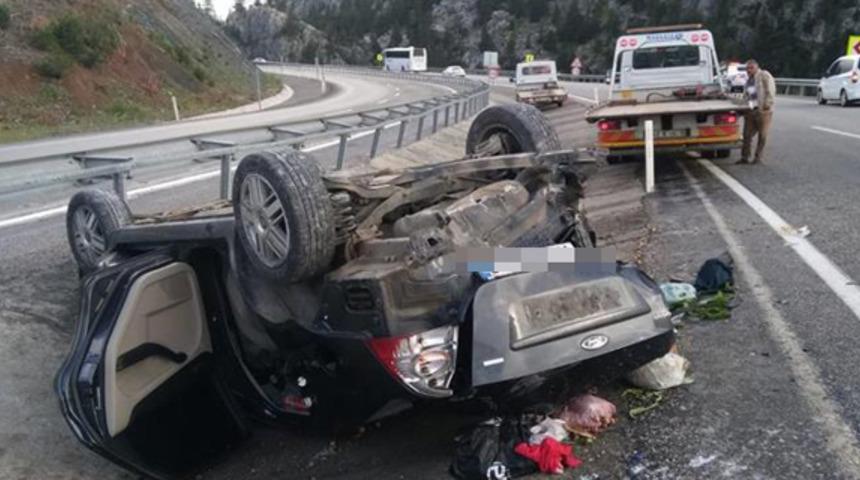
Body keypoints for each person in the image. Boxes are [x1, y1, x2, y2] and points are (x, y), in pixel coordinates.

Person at [738, 59, 776, 164]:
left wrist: (767, 105)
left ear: (756, 67)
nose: (748, 70)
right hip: (751, 110)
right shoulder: (748, 80)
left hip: (763, 110)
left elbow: (770, 90)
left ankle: (758, 157)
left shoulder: (764, 75)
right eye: (747, 68)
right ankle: (745, 157)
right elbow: (747, 95)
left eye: (751, 68)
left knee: (762, 135)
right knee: (746, 135)